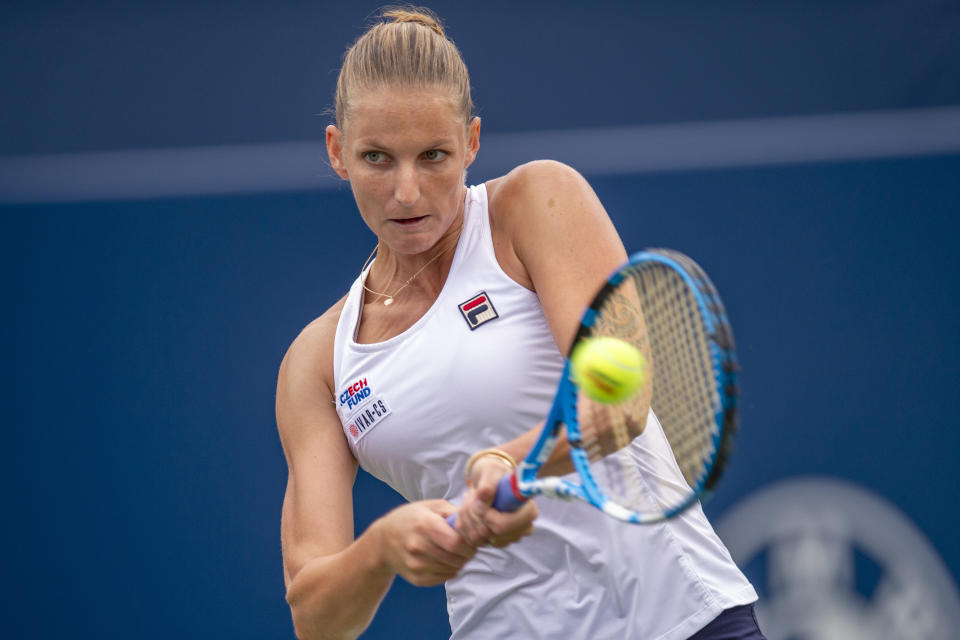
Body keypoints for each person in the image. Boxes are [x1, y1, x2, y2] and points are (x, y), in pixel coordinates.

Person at [276, 7, 764, 639]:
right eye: (376, 158)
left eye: (433, 155)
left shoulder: (536, 204)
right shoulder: (319, 363)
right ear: (337, 152)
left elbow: (620, 401)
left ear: (472, 142)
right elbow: (314, 615)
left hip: (676, 620)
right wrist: (383, 548)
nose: (407, 192)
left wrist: (504, 460)